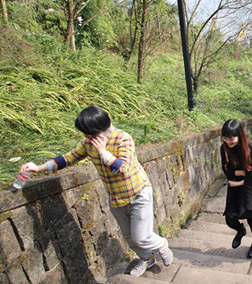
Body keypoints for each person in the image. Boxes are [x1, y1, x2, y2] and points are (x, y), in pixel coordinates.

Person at [18, 106, 173, 277]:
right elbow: (67, 159)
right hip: (116, 198)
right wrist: (38, 168)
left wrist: (102, 152)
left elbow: (124, 168)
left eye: (87, 133)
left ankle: (161, 244)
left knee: (141, 237)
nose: (85, 137)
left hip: (138, 194)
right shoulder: (88, 143)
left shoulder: (123, 138)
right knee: (130, 238)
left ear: (97, 131)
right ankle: (147, 259)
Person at [220, 119, 252, 259]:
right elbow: (225, 169)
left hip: (250, 187)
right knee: (230, 217)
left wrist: (240, 181)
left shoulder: (251, 148)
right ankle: (240, 230)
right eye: (225, 138)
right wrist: (240, 173)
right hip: (235, 186)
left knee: (251, 217)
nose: (229, 141)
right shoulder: (224, 148)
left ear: (240, 135)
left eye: (232, 138)